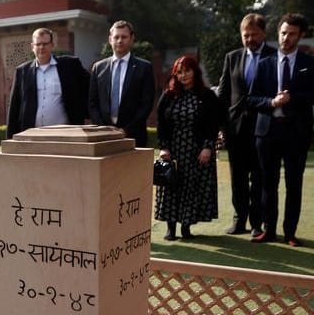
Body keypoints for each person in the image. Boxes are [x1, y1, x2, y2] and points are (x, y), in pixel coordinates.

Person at [247, 13, 314, 246]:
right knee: (268, 183)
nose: (286, 38)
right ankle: (269, 229)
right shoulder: (265, 63)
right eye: (283, 33)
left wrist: (292, 98)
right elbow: (252, 98)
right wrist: (271, 103)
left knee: (294, 184)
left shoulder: (309, 64)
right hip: (267, 132)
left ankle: (290, 233)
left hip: (296, 133)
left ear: (301, 36)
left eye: (291, 34)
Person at [217, 13, 275, 237]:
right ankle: (239, 220)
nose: (249, 39)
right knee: (238, 178)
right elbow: (223, 94)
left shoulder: (274, 56)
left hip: (264, 128)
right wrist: (221, 126)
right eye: (245, 35)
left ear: (263, 33)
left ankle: (256, 223)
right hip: (236, 129)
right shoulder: (232, 57)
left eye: (254, 34)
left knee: (259, 178)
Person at [154, 56, 220, 240]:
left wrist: (208, 147)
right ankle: (170, 229)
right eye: (179, 72)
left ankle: (186, 228)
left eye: (187, 71)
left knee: (191, 188)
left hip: (196, 152)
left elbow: (212, 124)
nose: (183, 76)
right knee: (170, 188)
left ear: (195, 71)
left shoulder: (207, 96)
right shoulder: (168, 95)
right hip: (173, 151)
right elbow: (161, 124)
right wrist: (163, 147)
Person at [6, 28, 90, 138]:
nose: (41, 47)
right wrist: (10, 139)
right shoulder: (22, 71)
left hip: (66, 135)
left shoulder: (70, 66)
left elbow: (92, 87)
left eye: (45, 44)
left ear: (52, 45)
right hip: (32, 136)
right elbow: (14, 107)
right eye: (38, 44)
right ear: (32, 47)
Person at [89, 20, 155, 147]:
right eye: (116, 37)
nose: (120, 40)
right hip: (104, 138)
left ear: (131, 39)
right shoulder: (98, 68)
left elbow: (146, 104)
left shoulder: (144, 68)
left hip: (134, 136)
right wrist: (104, 130)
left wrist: (126, 130)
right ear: (110, 39)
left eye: (124, 37)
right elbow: (93, 104)